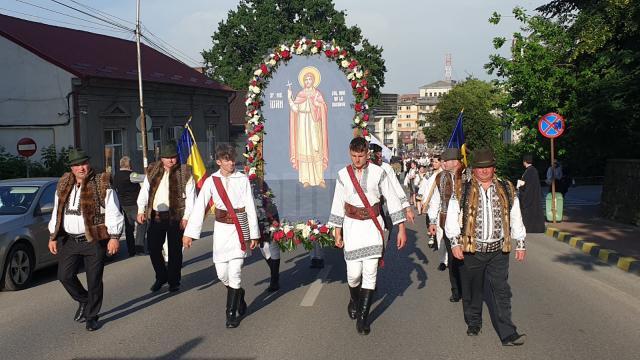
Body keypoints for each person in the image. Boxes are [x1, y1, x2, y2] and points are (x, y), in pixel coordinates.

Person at [445, 148, 527, 346]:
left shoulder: (507, 188)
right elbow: (452, 217)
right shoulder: (462, 189)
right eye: (480, 168)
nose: (484, 171)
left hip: (499, 250)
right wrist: (455, 242)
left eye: (487, 167)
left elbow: (515, 216)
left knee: (501, 290)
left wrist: (520, 243)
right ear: (473, 170)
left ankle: (507, 332)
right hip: (472, 250)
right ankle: (474, 322)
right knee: (473, 289)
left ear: (493, 168)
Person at [328, 137, 407, 335]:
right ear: (350, 153)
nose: (357, 160)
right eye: (354, 156)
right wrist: (337, 231)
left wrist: (401, 228)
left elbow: (392, 198)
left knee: (370, 273)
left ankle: (363, 319)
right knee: (353, 275)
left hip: (373, 226)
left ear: (367, 154)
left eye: (360, 156)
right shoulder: (342, 175)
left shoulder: (379, 172)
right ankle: (354, 298)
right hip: (352, 227)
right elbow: (338, 202)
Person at [183, 144, 260, 328]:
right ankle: (238, 294)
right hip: (221, 231)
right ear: (219, 162)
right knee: (221, 274)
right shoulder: (212, 181)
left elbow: (250, 206)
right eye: (227, 159)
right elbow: (200, 206)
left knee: (235, 272)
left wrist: (254, 234)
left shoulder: (242, 179)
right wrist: (190, 234)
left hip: (239, 229)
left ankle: (231, 313)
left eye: (232, 159)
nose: (231, 162)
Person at [47, 149, 124, 331]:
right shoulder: (64, 183)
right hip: (70, 240)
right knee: (64, 276)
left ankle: (92, 316)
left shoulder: (101, 182)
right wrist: (53, 236)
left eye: (84, 164)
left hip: (94, 240)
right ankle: (84, 300)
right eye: (77, 165)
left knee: (94, 279)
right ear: (72, 168)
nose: (81, 168)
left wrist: (114, 237)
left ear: (88, 164)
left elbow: (114, 211)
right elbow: (57, 211)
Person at [137, 142, 195, 293]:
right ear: (161, 158)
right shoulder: (153, 170)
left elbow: (191, 198)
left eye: (173, 157)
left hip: (175, 217)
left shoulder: (185, 172)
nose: (171, 160)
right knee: (153, 248)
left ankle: (174, 281)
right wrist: (140, 210)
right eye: (167, 157)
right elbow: (145, 191)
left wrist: (187, 217)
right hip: (156, 216)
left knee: (175, 251)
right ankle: (161, 276)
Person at [427, 148, 466, 302]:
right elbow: (435, 200)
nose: (442, 163)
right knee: (452, 258)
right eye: (442, 160)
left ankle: (468, 287)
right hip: (446, 223)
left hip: (467, 224)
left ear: (456, 162)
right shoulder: (440, 177)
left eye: (446, 160)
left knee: (467, 259)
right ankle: (456, 290)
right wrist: (432, 221)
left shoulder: (469, 176)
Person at [287, 67, 329, 188]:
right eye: (305, 79)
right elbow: (295, 109)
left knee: (317, 150)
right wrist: (290, 98)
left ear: (314, 80)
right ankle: (305, 179)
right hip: (303, 125)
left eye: (310, 78)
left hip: (314, 125)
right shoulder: (300, 94)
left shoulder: (317, 94)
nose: (307, 81)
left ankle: (320, 178)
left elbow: (324, 109)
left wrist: (318, 105)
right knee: (304, 150)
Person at [418, 156, 447, 268]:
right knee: (440, 235)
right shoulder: (431, 175)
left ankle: (450, 259)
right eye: (433, 161)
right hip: (437, 209)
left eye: (437, 161)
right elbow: (425, 188)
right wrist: (421, 200)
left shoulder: (452, 176)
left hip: (452, 212)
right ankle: (443, 261)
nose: (434, 163)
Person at [113, 156, 143, 256]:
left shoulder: (116, 176)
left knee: (129, 228)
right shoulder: (131, 175)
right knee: (142, 222)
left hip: (123, 205)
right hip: (134, 204)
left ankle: (131, 251)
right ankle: (139, 248)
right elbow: (144, 178)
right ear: (129, 164)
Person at [518, 154, 545, 233]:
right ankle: (536, 228)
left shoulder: (529, 171)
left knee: (528, 212)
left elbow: (525, 184)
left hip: (529, 195)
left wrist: (520, 185)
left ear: (525, 162)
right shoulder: (533, 170)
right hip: (534, 195)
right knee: (535, 212)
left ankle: (529, 228)